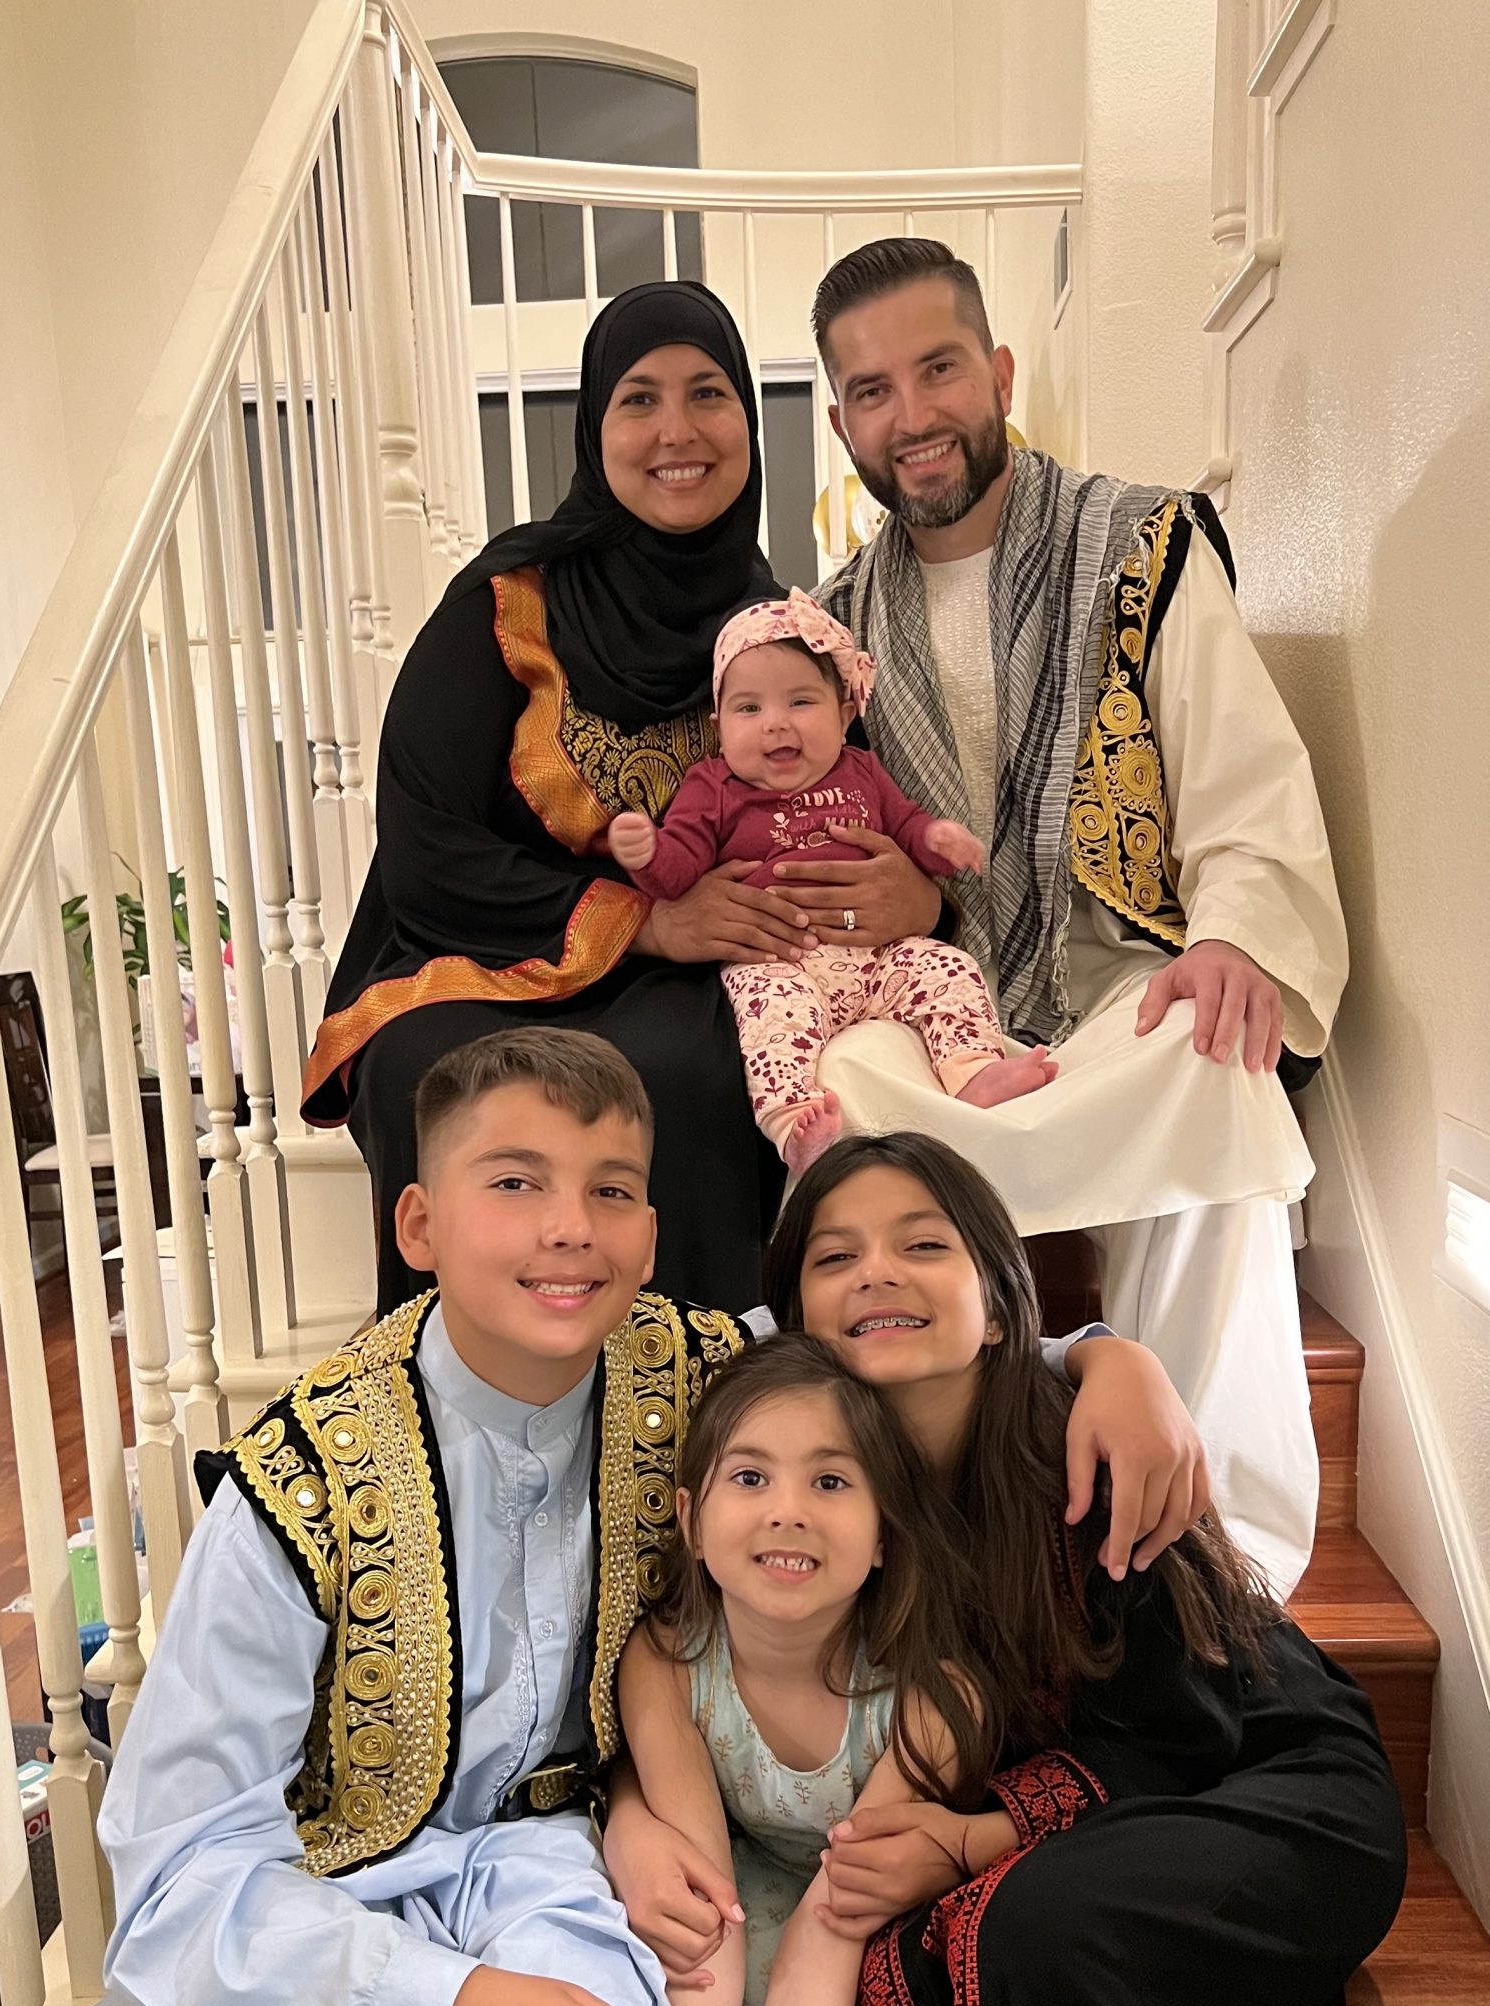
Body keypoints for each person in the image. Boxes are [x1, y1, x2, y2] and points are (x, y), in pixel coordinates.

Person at [63, 1028, 1210, 2006]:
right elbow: (177, 1870)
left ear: (654, 1232)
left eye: (612, 1189)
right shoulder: (293, 1486)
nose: (569, 1229)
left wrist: (1108, 1358)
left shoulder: (699, 1371)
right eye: (516, 1183)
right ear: (417, 1221)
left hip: (554, 1886)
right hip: (311, 1921)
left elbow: (897, 1337)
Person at [605, 1130, 1490, 2006]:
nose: (878, 1273)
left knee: (1025, 1926)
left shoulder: (1078, 1452)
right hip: (1094, 1829)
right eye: (835, 1255)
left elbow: (1185, 1734)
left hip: (1263, 1784)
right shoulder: (843, 1477)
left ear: (998, 1286)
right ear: (794, 1309)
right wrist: (625, 1814)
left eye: (924, 1245)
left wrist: (973, 1839)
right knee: (1016, 1943)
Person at [806, 237, 1352, 1600]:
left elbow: (1241, 778)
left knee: (1211, 1057)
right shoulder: (829, 626)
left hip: (1117, 980)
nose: (912, 415)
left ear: (999, 374)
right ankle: (920, 1534)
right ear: (843, 422)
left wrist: (1233, 935)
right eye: (871, 391)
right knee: (841, 1080)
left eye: (938, 369)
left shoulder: (1140, 546)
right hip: (944, 1007)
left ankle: (1220, 1560)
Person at [299, 280, 940, 1320]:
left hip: (702, 979)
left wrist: (913, 896)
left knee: (705, 1063)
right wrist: (646, 920)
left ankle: (699, 1386)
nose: (676, 431)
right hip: (494, 952)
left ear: (748, 422)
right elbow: (426, 852)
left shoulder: (782, 637)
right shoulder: (501, 609)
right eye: (639, 399)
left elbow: (854, 815)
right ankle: (467, 1400)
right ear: (595, 428)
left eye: (707, 394)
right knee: (435, 1069)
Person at [618, 1335, 980, 2006]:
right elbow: (709, 1916)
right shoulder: (666, 1662)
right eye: (750, 1476)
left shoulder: (930, 1692)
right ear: (690, 1518)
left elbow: (836, 1921)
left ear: (886, 1533)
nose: (787, 1511)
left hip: (861, 1933)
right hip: (736, 1908)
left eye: (830, 1482)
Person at [609, 590, 1053, 1169]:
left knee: (947, 967)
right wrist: (646, 854)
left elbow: (905, 826)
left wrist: (936, 841)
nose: (776, 724)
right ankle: (793, 1124)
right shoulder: (711, 788)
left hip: (880, 958)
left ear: (845, 715)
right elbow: (678, 872)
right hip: (781, 961)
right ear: (719, 728)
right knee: (770, 1014)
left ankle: (974, 1072)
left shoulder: (862, 770)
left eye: (800, 701)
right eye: (749, 709)